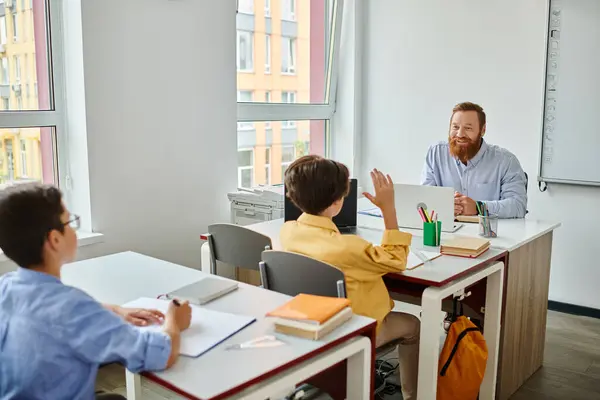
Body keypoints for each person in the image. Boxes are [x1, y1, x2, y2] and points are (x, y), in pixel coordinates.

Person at [0, 183, 192, 400]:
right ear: (54, 239)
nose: (74, 228)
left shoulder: (6, 286)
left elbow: (47, 315)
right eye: (71, 222)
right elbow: (160, 354)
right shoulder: (72, 307)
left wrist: (116, 310)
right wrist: (174, 320)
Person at [281, 155, 419, 400]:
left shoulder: (288, 232)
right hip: (349, 331)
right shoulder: (349, 248)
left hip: (308, 326)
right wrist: (388, 209)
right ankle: (411, 395)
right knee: (414, 325)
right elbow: (396, 259)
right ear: (336, 203)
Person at [421, 102, 527, 218]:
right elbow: (425, 198)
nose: (460, 134)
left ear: (482, 130)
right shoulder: (435, 153)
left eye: (468, 128)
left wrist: (478, 207)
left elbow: (518, 206)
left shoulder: (506, 161)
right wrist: (442, 205)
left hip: (488, 233)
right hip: (445, 232)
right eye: (455, 127)